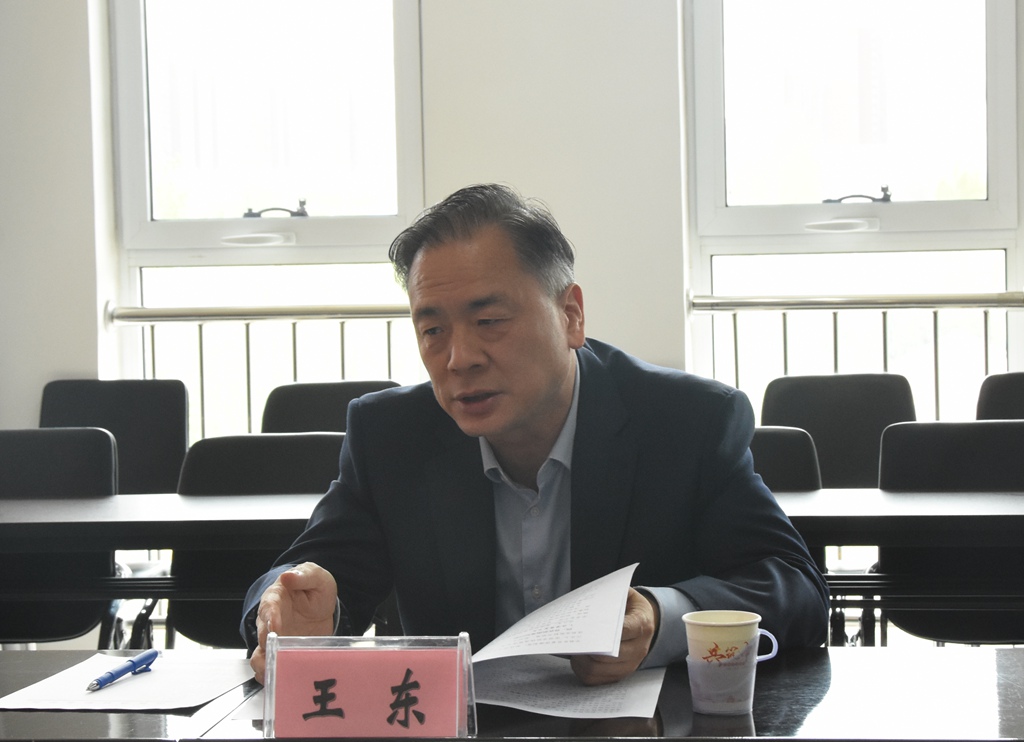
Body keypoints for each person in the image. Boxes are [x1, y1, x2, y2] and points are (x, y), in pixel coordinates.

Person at [242, 183, 830, 685]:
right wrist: (293, 613)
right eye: (433, 331)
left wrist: (659, 619)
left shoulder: (687, 421)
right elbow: (311, 576)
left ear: (571, 315)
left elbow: (792, 587)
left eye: (490, 321)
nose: (460, 358)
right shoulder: (392, 435)